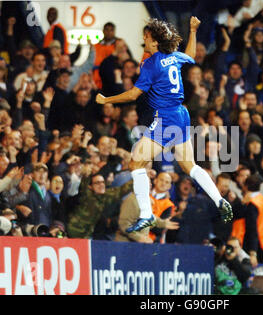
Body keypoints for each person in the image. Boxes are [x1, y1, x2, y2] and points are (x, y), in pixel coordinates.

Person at [96, 17, 233, 233]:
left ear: (156, 42)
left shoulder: (151, 63)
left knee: (135, 164)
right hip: (182, 113)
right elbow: (191, 55)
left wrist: (107, 100)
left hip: (167, 117)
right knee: (190, 166)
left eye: (147, 38)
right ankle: (219, 200)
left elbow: (133, 94)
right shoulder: (174, 57)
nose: (144, 41)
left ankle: (146, 214)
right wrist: (193, 31)